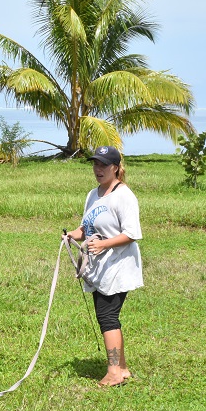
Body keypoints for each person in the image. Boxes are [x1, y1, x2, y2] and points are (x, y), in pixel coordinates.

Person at [64, 145, 143, 387]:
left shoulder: (124, 196)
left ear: (116, 168)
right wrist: (72, 236)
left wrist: (105, 245)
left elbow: (132, 233)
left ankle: (113, 372)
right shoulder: (93, 194)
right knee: (110, 318)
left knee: (107, 317)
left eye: (103, 165)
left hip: (118, 266)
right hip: (100, 268)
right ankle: (122, 368)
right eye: (95, 164)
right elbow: (86, 228)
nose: (98, 169)